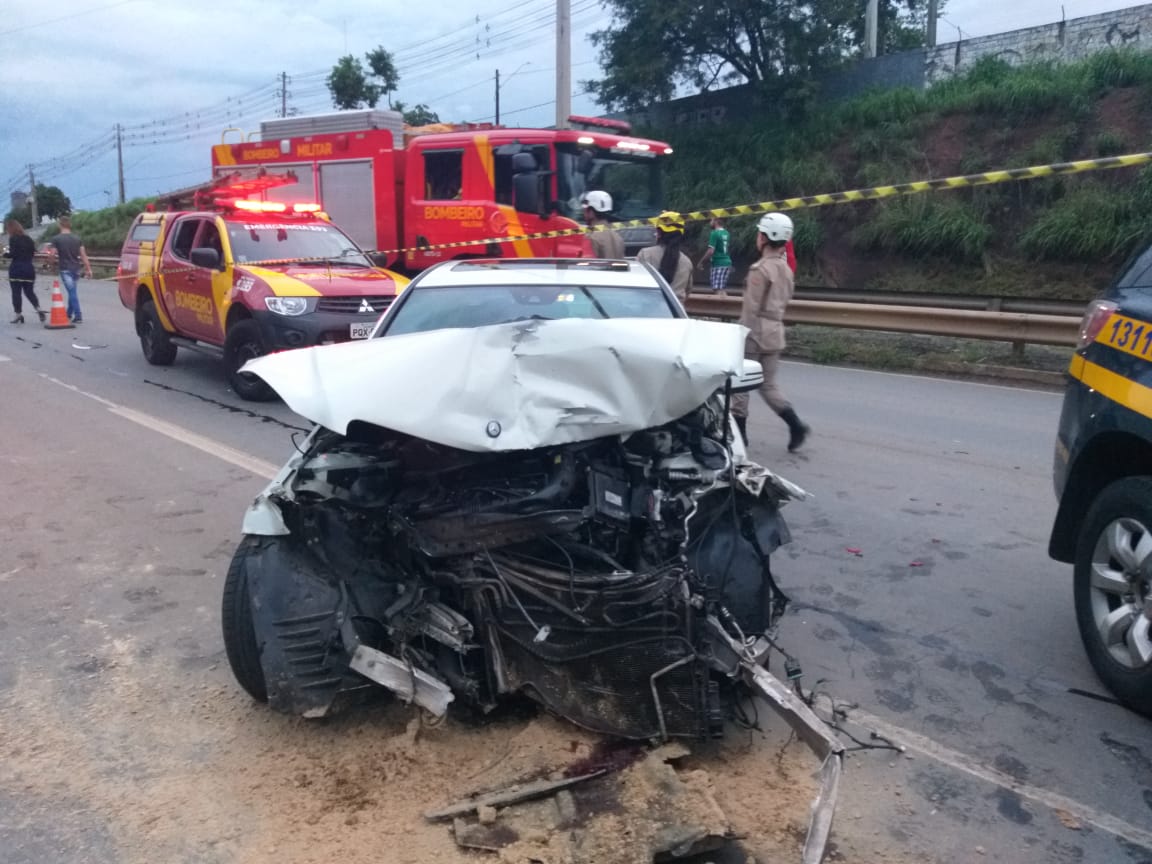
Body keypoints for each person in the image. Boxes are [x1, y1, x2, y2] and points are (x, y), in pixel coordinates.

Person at [733, 212, 809, 452]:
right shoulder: (786, 269)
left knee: (740, 384)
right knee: (768, 385)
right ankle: (795, 424)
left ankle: (740, 437)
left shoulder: (760, 269)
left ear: (765, 238)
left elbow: (751, 308)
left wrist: (741, 334)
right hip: (776, 332)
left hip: (756, 333)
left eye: (760, 233)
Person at [638, 210, 692, 303]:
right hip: (675, 310)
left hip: (647, 307)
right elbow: (688, 291)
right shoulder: (687, 262)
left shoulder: (645, 254)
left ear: (659, 233)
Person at [49, 215, 93, 323]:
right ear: (69, 225)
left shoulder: (56, 239)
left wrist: (51, 265)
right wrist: (88, 269)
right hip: (76, 269)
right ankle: (68, 313)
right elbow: (83, 255)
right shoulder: (77, 238)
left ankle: (78, 315)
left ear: (60, 225)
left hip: (65, 269)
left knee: (72, 292)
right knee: (72, 291)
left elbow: (52, 254)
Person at [4, 219, 45, 324]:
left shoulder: (13, 239)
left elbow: (13, 254)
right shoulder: (28, 239)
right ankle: (38, 308)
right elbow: (33, 253)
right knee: (29, 292)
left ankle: (18, 314)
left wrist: (5, 254)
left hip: (16, 269)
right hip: (29, 269)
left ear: (10, 229)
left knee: (16, 293)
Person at [580, 190, 625, 259]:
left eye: (585, 210)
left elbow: (586, 263)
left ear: (591, 212)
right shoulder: (618, 237)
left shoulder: (591, 237)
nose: (584, 214)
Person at [697, 216, 733, 293]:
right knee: (721, 288)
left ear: (716, 221)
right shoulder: (726, 233)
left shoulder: (715, 233)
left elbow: (711, 251)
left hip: (718, 263)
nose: (710, 222)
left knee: (717, 289)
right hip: (727, 262)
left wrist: (701, 262)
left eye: (711, 220)